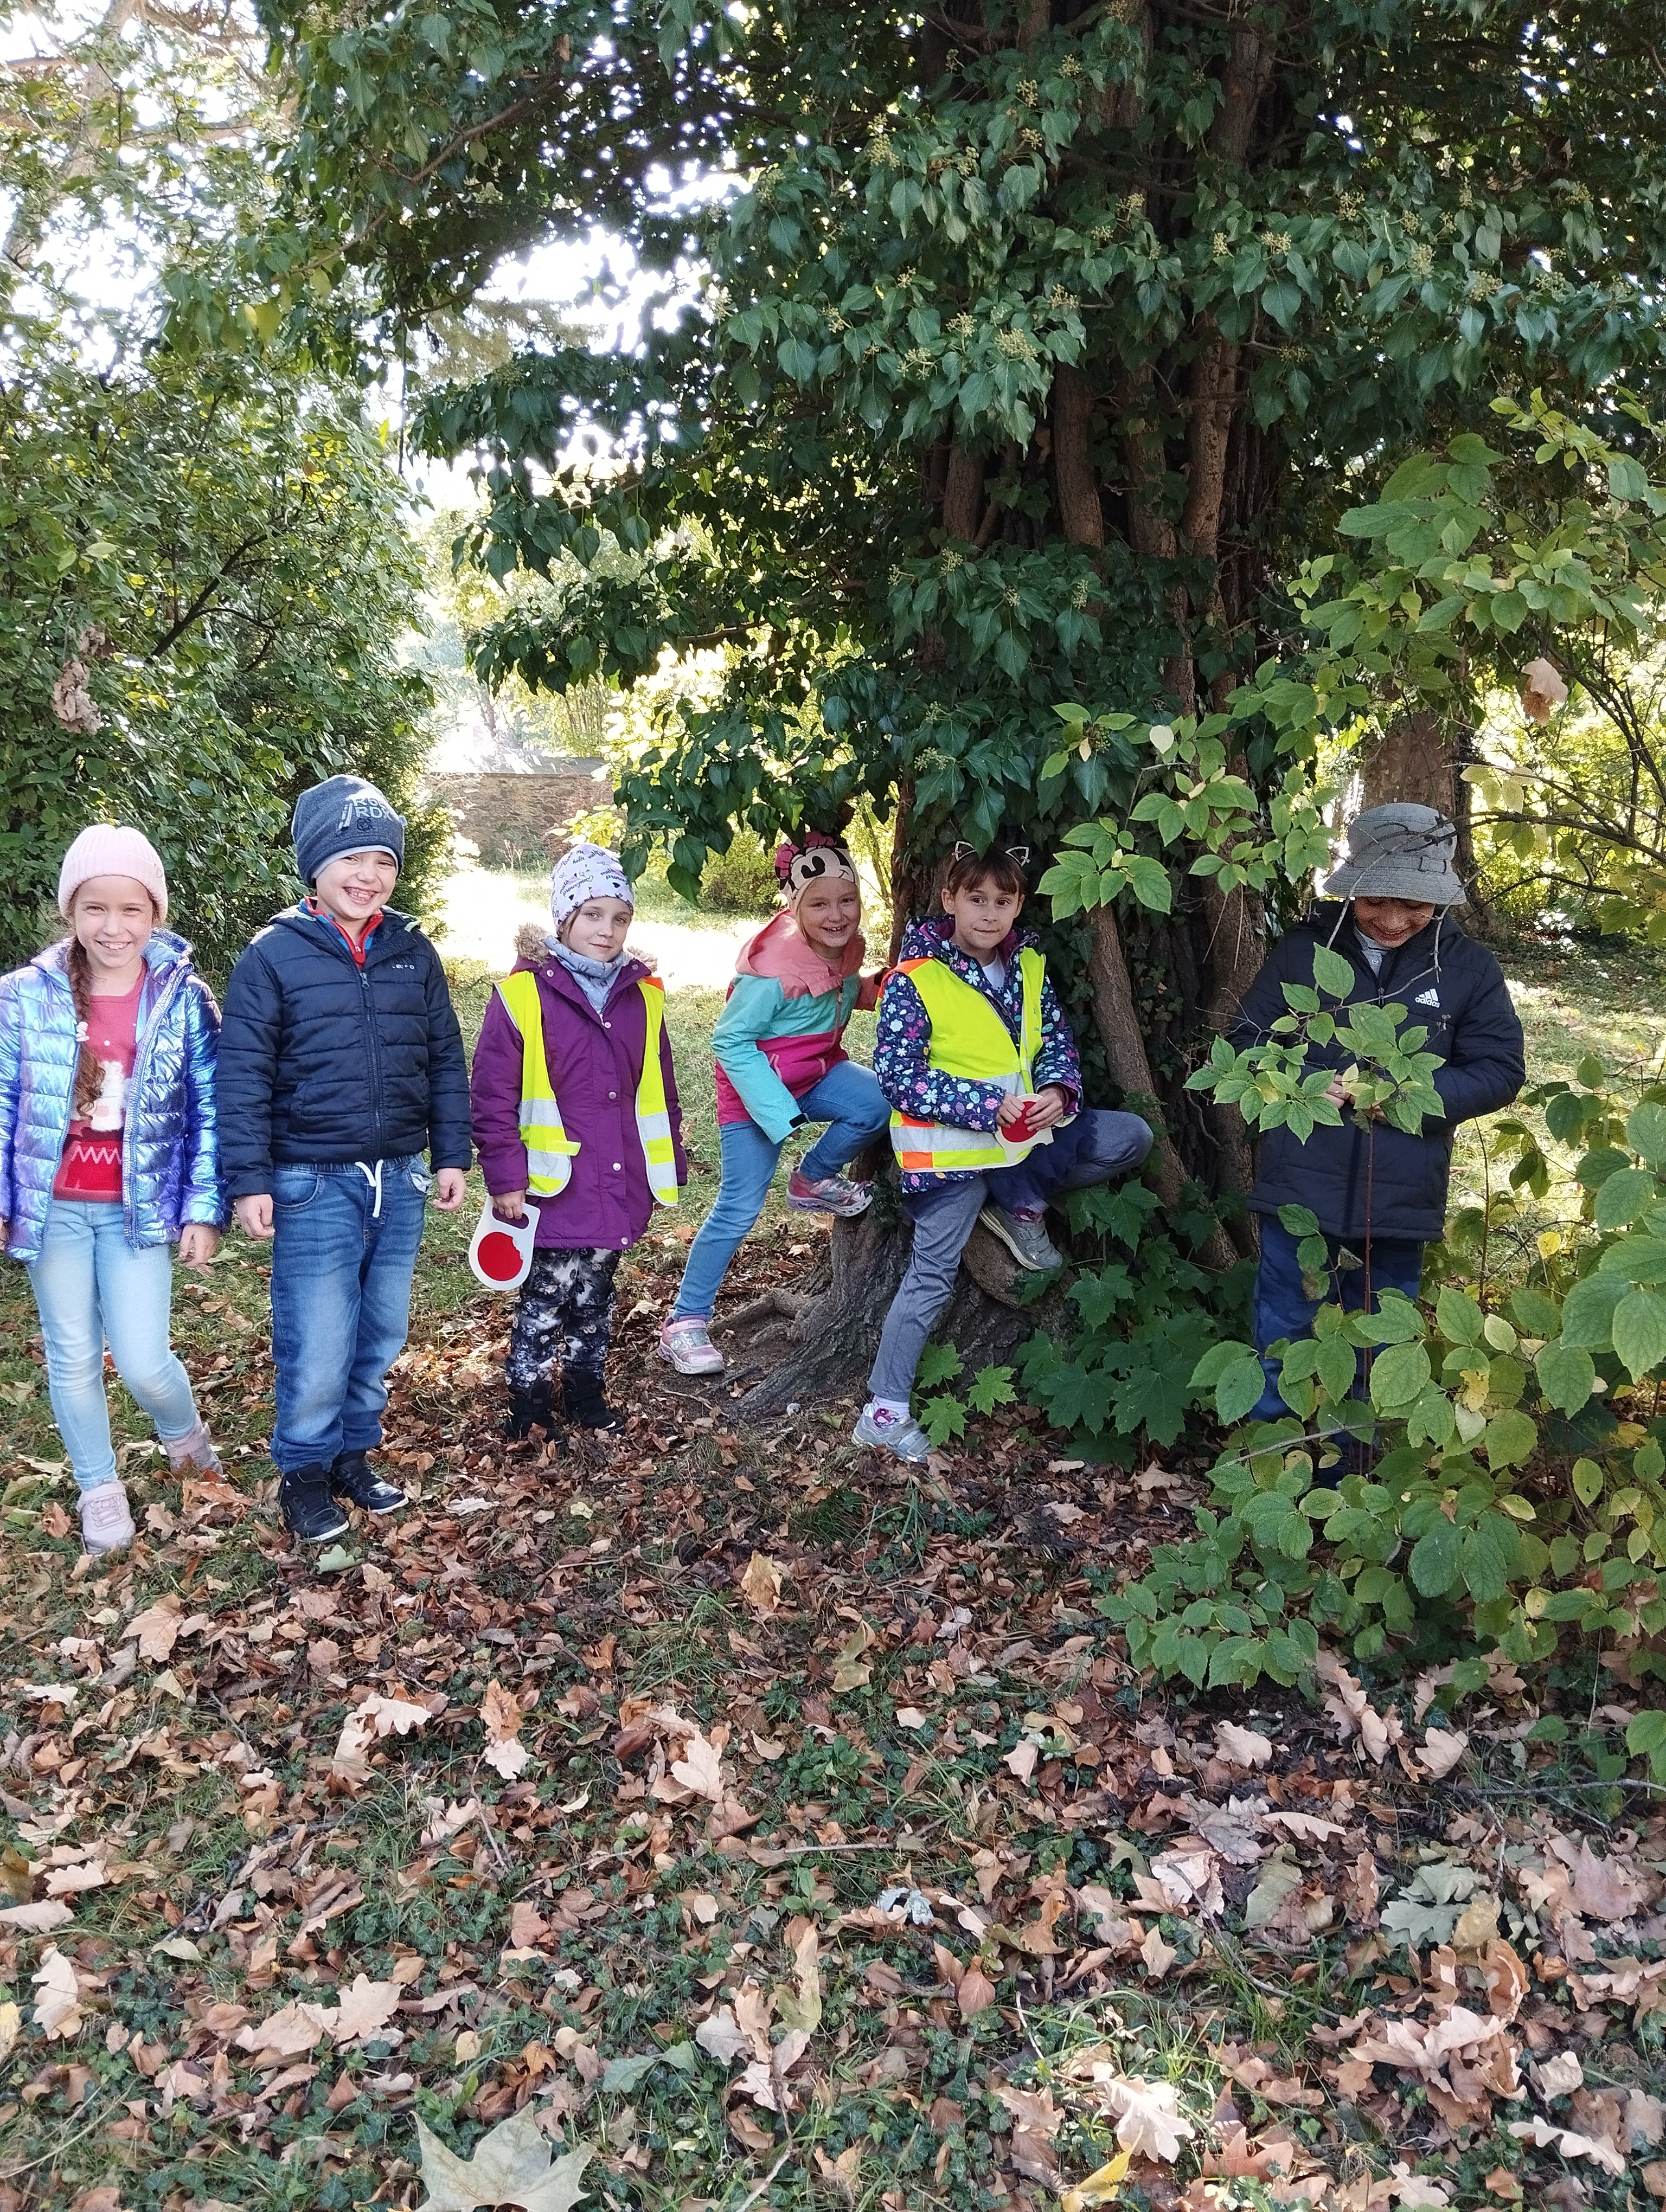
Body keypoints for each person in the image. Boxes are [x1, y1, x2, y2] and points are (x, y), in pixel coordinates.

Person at [217, 776, 471, 1542]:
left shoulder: (412, 952)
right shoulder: (273, 955)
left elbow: (444, 1058)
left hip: (399, 1176)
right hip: (311, 1181)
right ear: (315, 866)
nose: (368, 875)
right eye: (351, 858)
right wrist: (250, 1179)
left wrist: (450, 1153)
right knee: (320, 1336)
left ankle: (352, 1455)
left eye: (383, 861)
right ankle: (303, 1470)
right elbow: (244, 1073)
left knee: (381, 1330)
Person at [855, 842, 1154, 1463]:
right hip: (953, 1157)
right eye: (976, 899)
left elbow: (1054, 1041)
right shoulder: (915, 978)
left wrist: (1057, 1090)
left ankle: (1019, 1202)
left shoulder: (1028, 965)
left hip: (1022, 1144)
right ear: (950, 901)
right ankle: (883, 1411)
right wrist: (986, 1105)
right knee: (931, 1278)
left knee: (1131, 1137)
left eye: (1003, 901)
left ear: (1019, 906)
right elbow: (899, 1077)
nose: (989, 914)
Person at [1231, 801, 1526, 1422]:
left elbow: (1500, 1070)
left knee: (1378, 1346)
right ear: (1352, 890)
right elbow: (1245, 1042)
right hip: (1299, 1191)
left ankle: (1351, 1467)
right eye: (1375, 902)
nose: (1393, 920)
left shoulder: (1467, 968)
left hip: (1399, 1202)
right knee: (1283, 1332)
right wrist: (1305, 1083)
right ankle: (1271, 1458)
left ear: (1438, 898)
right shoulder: (1304, 950)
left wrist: (1405, 1097)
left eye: (1414, 905)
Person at [0, 826, 225, 1554]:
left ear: (154, 913)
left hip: (138, 1212)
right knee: (71, 1356)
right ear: (70, 911)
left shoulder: (183, 1001)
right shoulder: (22, 997)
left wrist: (203, 1208)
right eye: (95, 907)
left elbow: (210, 1111)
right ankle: (99, 1488)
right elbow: (3, 1101)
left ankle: (182, 1432)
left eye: (131, 909)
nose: (113, 926)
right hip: (54, 1210)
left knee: (143, 1361)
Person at [472, 843, 687, 1436]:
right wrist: (506, 1179)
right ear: (564, 917)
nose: (607, 930)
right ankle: (530, 1405)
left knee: (596, 1296)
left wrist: (668, 1164)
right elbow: (492, 1098)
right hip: (552, 1184)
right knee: (546, 1297)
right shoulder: (521, 996)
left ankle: (587, 1395)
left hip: (617, 1180)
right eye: (592, 914)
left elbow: (661, 1089)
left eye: (621, 918)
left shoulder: (643, 997)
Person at [658, 833, 888, 1376]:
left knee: (878, 1102)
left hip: (816, 1073)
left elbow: (836, 989)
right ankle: (685, 1322)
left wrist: (879, 989)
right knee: (739, 1206)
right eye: (819, 904)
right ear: (794, 906)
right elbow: (730, 1040)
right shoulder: (770, 972)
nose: (836, 915)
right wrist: (775, 1110)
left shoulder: (843, 948)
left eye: (847, 900)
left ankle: (812, 1179)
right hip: (755, 1093)